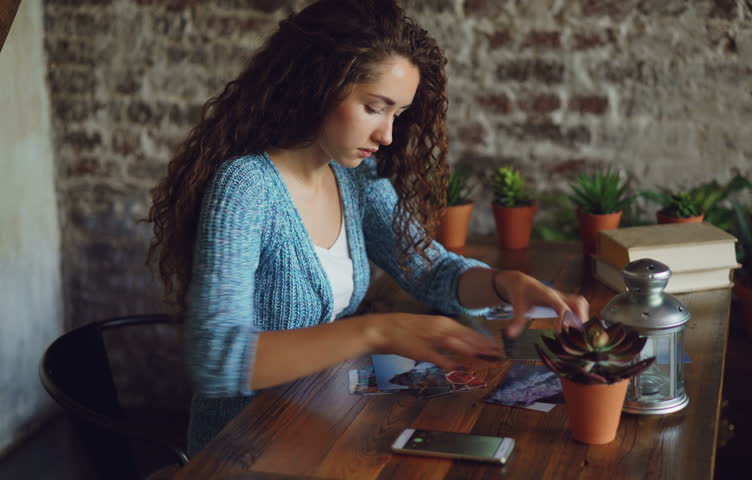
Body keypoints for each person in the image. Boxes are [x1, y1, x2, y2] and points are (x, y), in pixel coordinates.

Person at [146, 0, 589, 456]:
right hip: (245, 449)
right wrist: (375, 331)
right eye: (375, 108)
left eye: (396, 114)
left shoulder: (355, 176)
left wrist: (504, 284)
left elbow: (429, 270)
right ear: (317, 84)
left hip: (322, 425)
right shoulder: (245, 187)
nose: (387, 135)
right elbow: (216, 360)